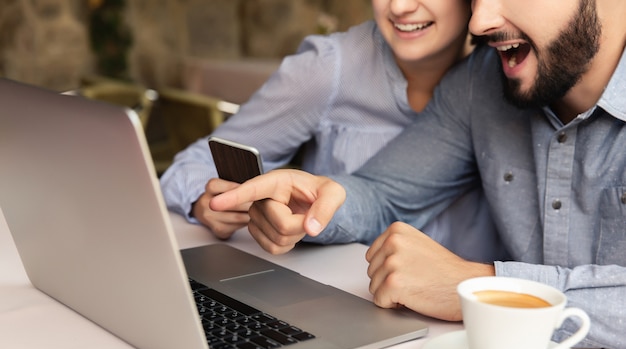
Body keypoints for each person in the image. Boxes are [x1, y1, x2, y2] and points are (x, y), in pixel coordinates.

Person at [210, 0, 626, 349]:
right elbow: (384, 192)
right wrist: (320, 199)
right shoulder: (481, 81)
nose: (478, 21)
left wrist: (482, 288)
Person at [160, 0, 506, 262]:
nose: (400, 7)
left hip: (476, 318)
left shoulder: (513, 75)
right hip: (339, 295)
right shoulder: (328, 68)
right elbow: (191, 165)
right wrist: (205, 200)